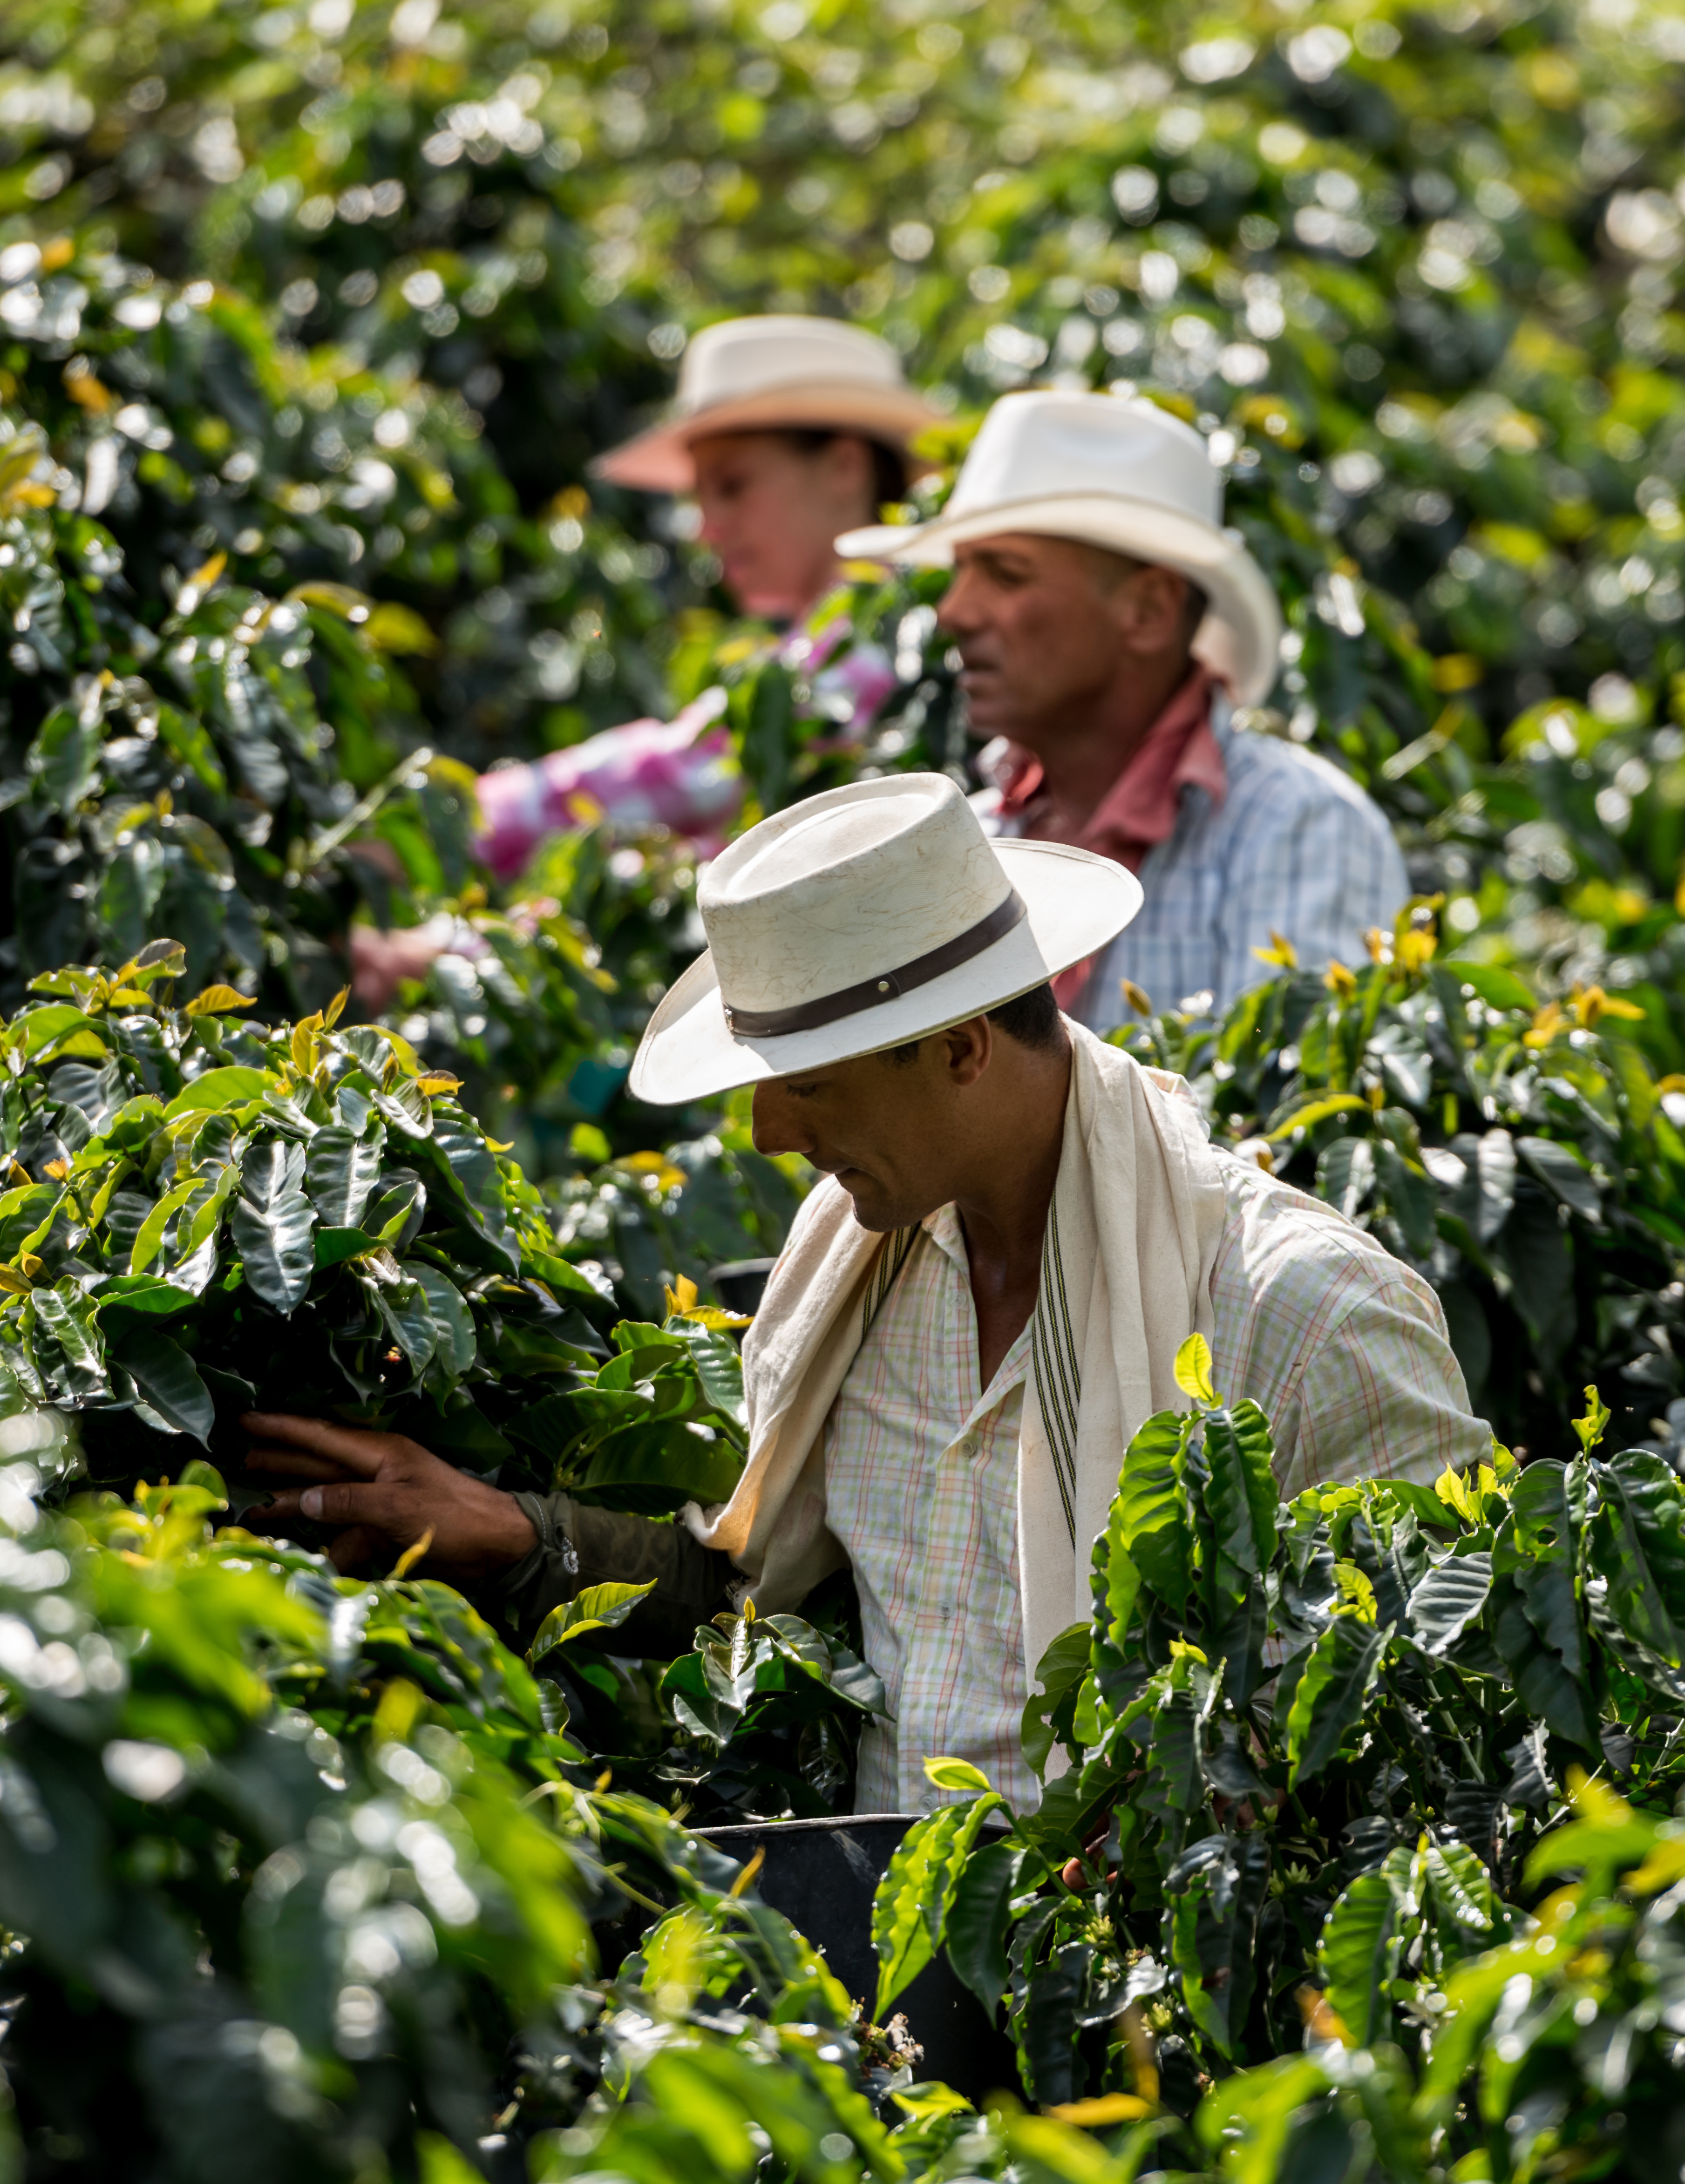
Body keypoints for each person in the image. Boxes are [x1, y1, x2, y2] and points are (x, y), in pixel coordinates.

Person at [249, 774, 1491, 1813]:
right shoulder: (861, 1263)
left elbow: (1431, 1739)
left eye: (809, 1082)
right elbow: (750, 1582)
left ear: (960, 1050)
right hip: (897, 1989)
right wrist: (516, 1531)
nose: (764, 1130)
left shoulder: (1305, 1318)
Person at [350, 318, 930, 1007]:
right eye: (699, 497)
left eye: (734, 486)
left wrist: (439, 830)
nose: (706, 527)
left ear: (843, 467)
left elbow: (696, 771)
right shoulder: (823, 641)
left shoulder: (890, 633)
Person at [837, 389, 1411, 1029]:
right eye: (961, 572)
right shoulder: (975, 841)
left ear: (1148, 612)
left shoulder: (1294, 828)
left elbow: (1284, 1117)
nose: (955, 612)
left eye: (1005, 574)